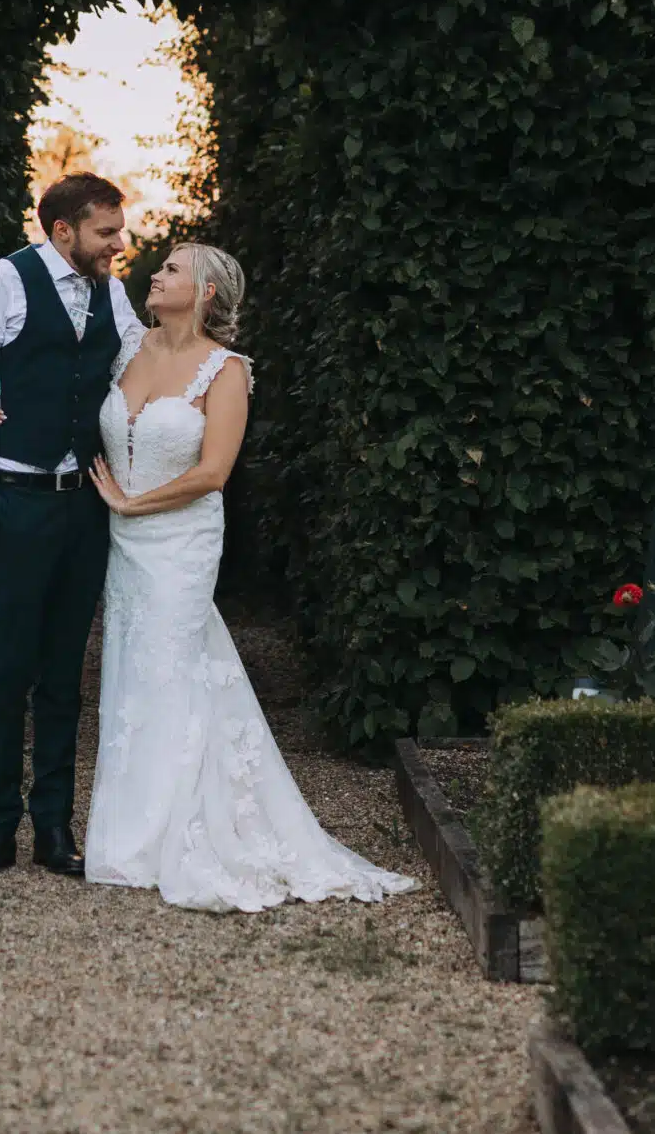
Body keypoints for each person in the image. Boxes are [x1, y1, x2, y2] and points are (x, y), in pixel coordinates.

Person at [81, 243, 416, 911]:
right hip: (126, 544)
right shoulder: (129, 348)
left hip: (180, 539)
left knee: (174, 665)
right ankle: (128, 835)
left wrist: (129, 502)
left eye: (173, 269)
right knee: (133, 667)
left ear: (205, 290)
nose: (158, 275)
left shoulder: (226, 370)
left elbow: (213, 473)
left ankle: (184, 830)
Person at [0, 172, 144, 877]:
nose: (118, 244)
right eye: (106, 233)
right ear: (63, 230)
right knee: (6, 668)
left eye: (117, 232)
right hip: (17, 499)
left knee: (65, 671)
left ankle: (53, 827)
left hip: (84, 505)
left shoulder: (112, 292)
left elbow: (136, 364)